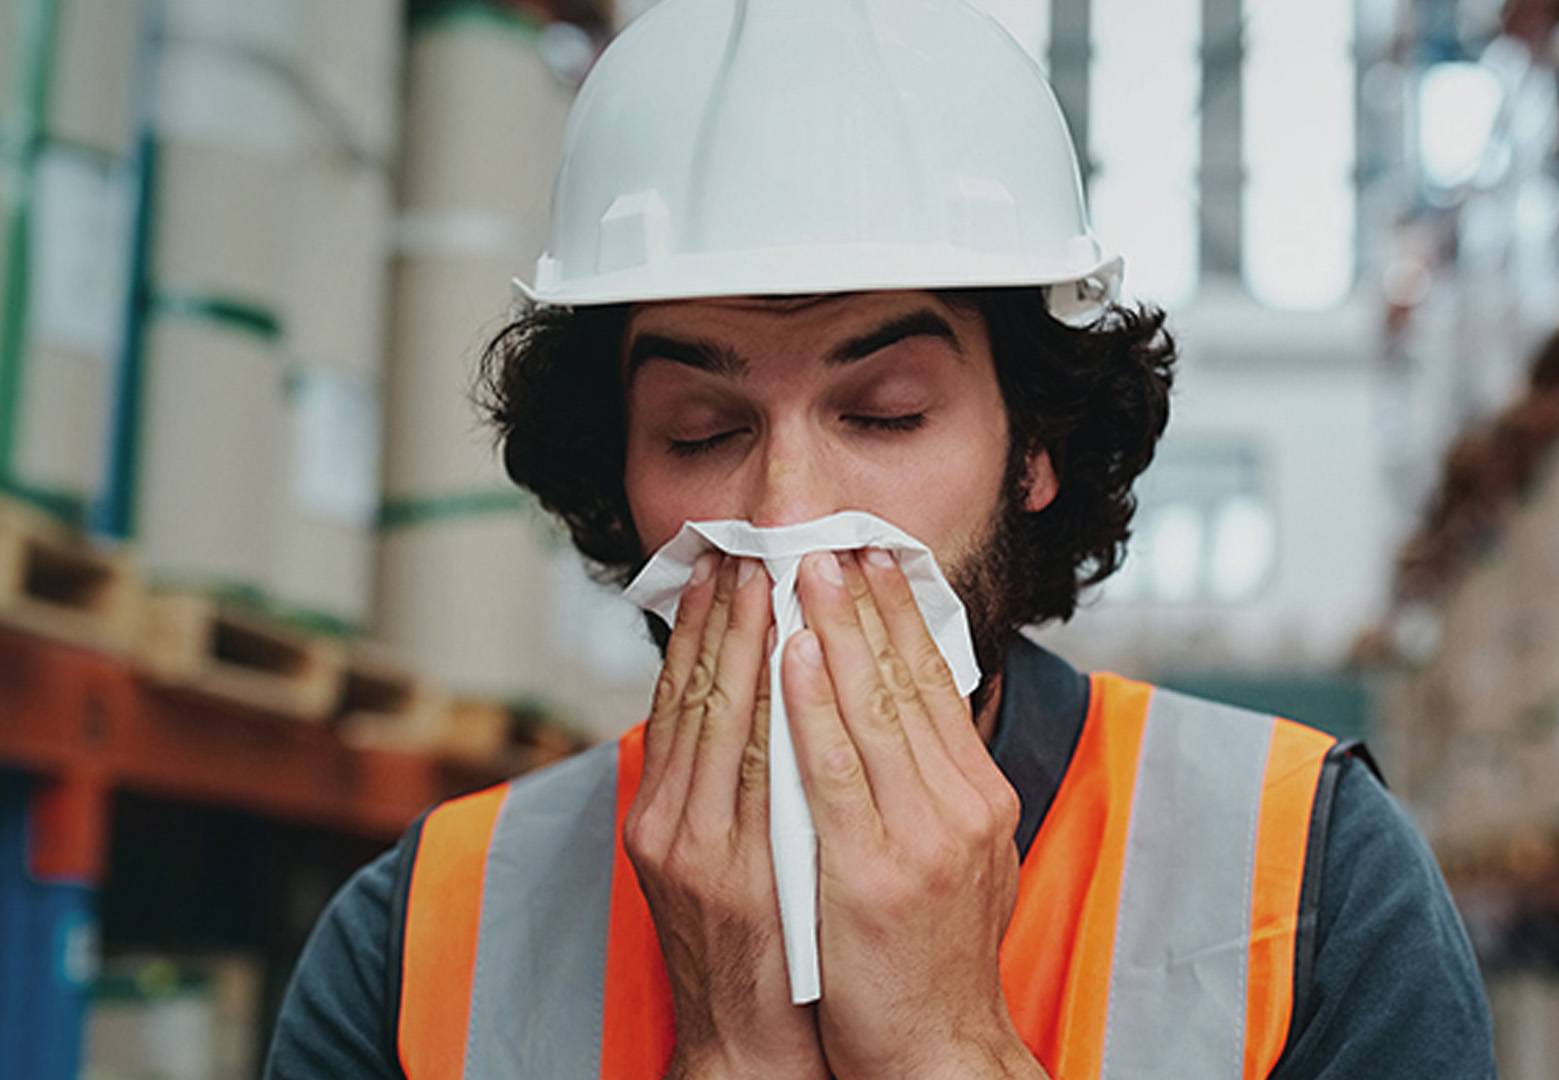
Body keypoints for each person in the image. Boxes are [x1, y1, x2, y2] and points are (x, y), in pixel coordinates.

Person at [266, 1, 1495, 1077]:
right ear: (618, 467)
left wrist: (940, 1053)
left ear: (1035, 449)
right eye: (701, 431)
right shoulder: (425, 941)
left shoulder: (1308, 889)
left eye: (885, 413)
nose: (787, 508)